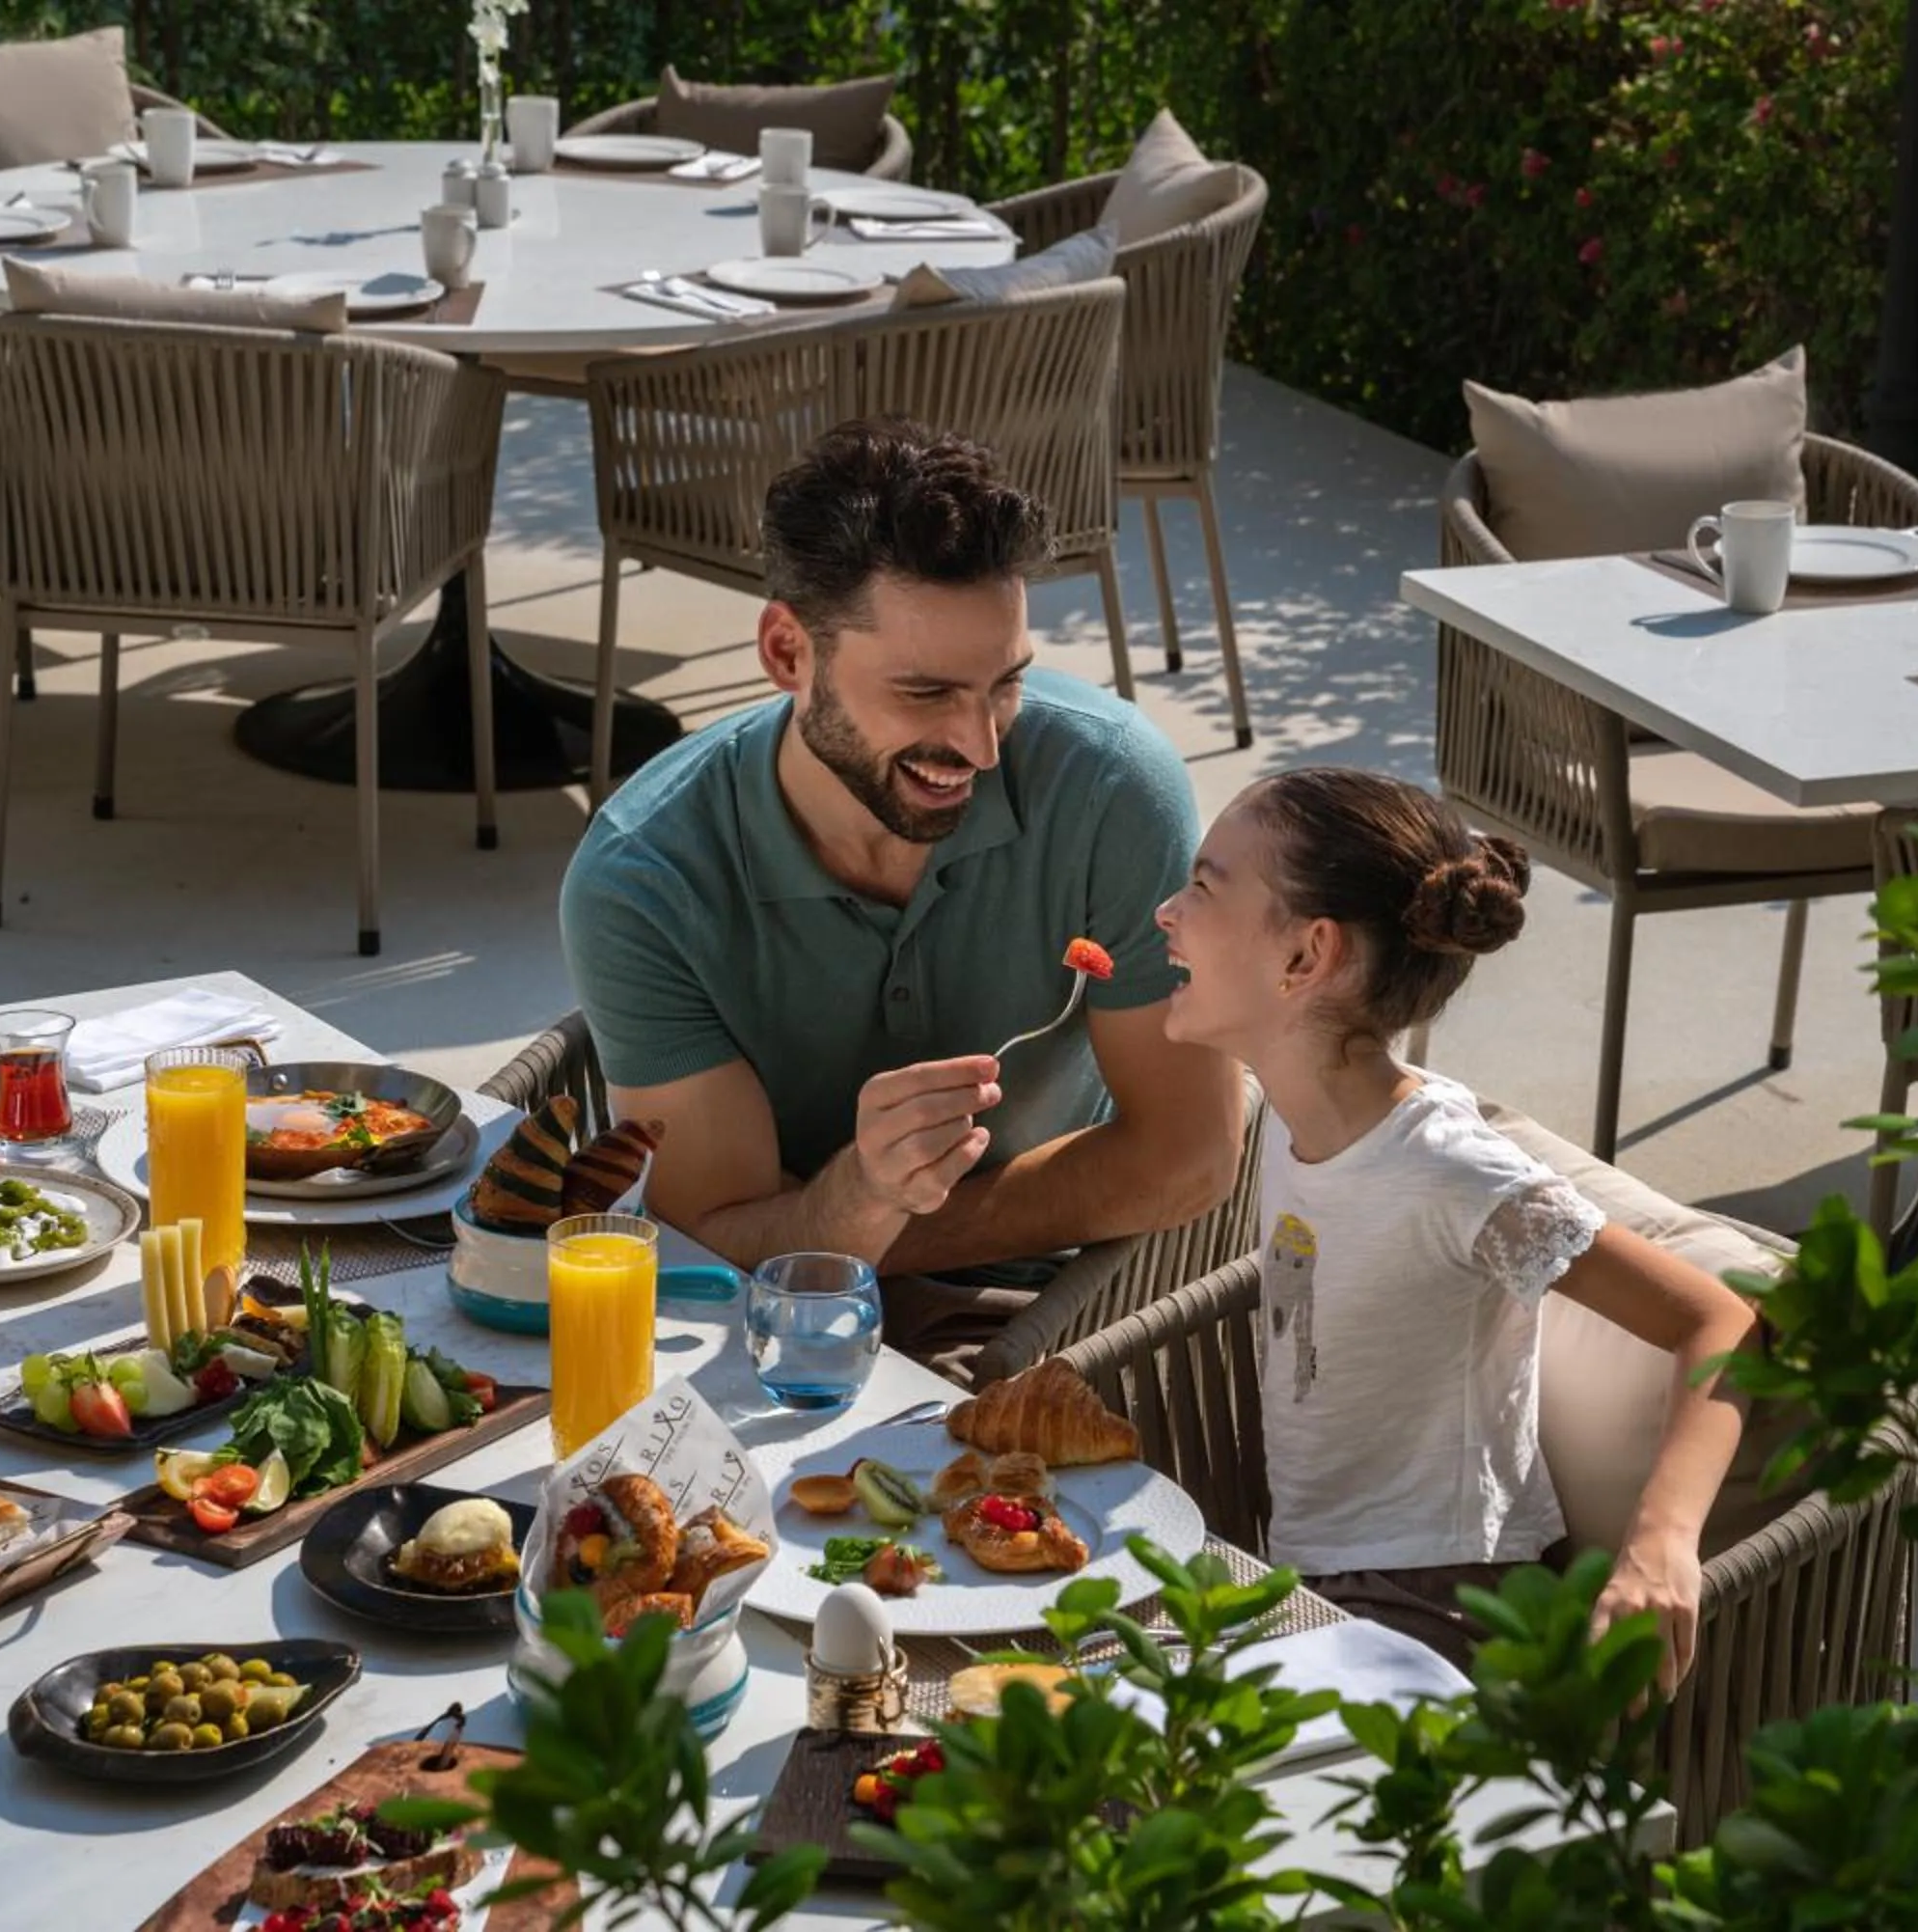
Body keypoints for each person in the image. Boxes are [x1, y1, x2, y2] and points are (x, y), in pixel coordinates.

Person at [562, 419, 1245, 1365]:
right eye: (926, 694)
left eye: (1005, 683)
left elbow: (1191, 1154)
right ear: (788, 652)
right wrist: (856, 1207)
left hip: (1075, 1297)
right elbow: (710, 1241)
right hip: (773, 1325)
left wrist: (868, 1220)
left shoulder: (1111, 790)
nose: (981, 746)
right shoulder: (643, 878)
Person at [1152, 767, 1758, 1682]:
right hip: (1307, 1578)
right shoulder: (1291, 1110)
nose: (1167, 912)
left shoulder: (1447, 1170)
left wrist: (1663, 1542)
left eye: (1203, 886)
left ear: (1305, 957)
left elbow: (1721, 1322)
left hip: (1438, 1603)